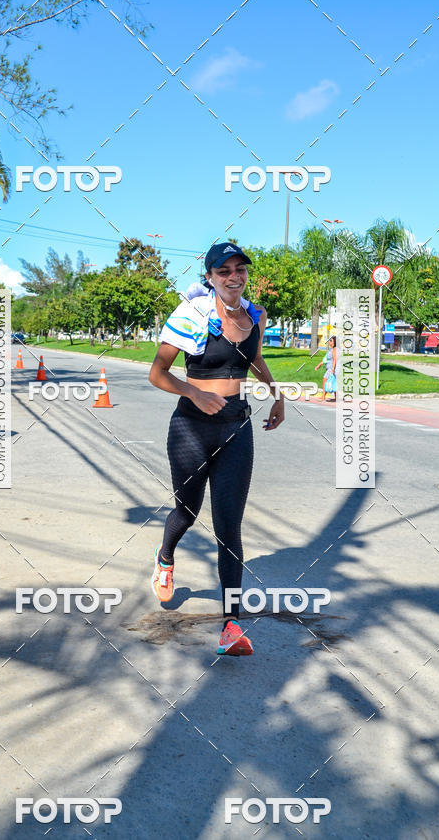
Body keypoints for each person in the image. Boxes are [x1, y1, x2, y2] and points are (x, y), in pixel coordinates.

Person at [149, 242, 284, 656]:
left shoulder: (255, 314)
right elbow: (158, 373)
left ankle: (231, 627)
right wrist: (194, 394)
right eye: (223, 271)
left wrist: (276, 394)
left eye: (240, 269)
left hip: (236, 426)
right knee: (187, 511)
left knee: (229, 527)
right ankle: (166, 556)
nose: (233, 277)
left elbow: (254, 358)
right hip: (191, 426)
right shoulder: (191, 314)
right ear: (209, 277)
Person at [315, 336, 337, 401]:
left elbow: (335, 359)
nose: (329, 342)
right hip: (329, 368)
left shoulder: (335, 349)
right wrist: (318, 365)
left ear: (334, 342)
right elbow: (325, 359)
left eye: (331, 341)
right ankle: (337, 398)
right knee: (334, 382)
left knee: (325, 380)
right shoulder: (331, 350)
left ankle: (323, 396)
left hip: (331, 368)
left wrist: (333, 368)